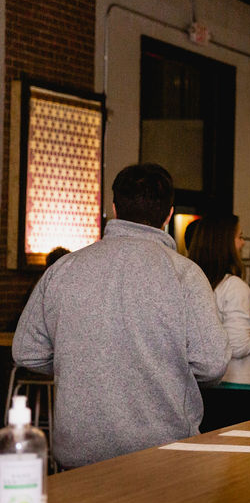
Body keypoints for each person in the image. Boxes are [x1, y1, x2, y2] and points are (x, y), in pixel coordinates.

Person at [12, 163, 230, 469]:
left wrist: (81, 363)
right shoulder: (184, 274)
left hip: (79, 455)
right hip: (163, 453)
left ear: (114, 208)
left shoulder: (63, 269)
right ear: (168, 214)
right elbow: (212, 363)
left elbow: (27, 351)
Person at [188, 214, 250, 430]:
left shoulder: (195, 284)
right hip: (235, 387)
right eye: (239, 237)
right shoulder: (234, 286)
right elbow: (237, 346)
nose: (242, 243)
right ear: (224, 243)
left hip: (201, 386)